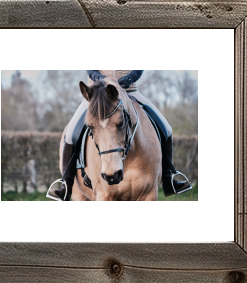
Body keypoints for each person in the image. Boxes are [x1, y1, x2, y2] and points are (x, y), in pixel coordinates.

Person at [46, 70, 192, 201]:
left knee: (166, 128)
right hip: (98, 92)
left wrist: (127, 80)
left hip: (129, 90)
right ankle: (66, 183)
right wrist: (101, 78)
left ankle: (169, 178)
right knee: (71, 133)